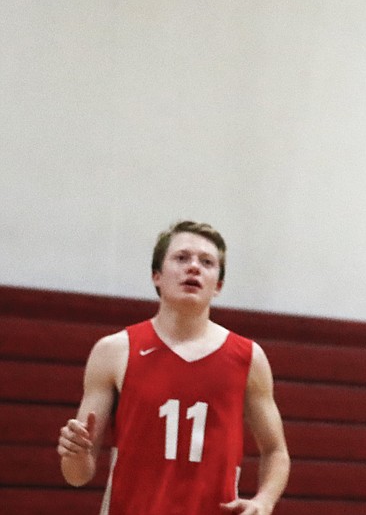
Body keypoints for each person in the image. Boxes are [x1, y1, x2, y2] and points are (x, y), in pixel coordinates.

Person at [57, 220, 290, 515]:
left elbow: (276, 451)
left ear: (218, 285)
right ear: (157, 275)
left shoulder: (248, 357)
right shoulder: (114, 351)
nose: (194, 267)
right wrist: (74, 453)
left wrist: (264, 500)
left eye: (207, 262)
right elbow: (77, 475)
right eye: (181, 258)